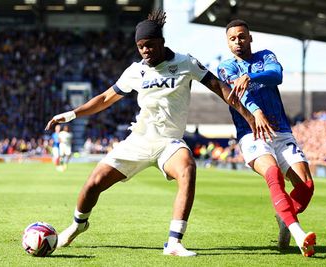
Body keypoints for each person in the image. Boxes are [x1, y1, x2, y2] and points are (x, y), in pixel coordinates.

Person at [45, 11, 264, 257]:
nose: (145, 51)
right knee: (92, 185)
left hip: (169, 143)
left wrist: (249, 115)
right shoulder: (135, 71)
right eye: (140, 47)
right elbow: (106, 98)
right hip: (138, 140)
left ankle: (173, 242)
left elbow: (220, 88)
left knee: (187, 169)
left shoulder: (185, 63)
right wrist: (72, 114)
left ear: (161, 42)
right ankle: (78, 225)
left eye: (149, 45)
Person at [217, 19, 316, 257]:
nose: (238, 42)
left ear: (250, 38)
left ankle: (283, 217)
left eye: (242, 36)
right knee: (273, 174)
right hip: (251, 133)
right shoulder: (225, 68)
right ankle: (298, 232)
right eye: (233, 39)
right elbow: (236, 97)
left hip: (280, 130)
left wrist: (250, 75)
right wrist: (256, 113)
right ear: (227, 43)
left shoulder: (265, 56)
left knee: (307, 186)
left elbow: (277, 75)